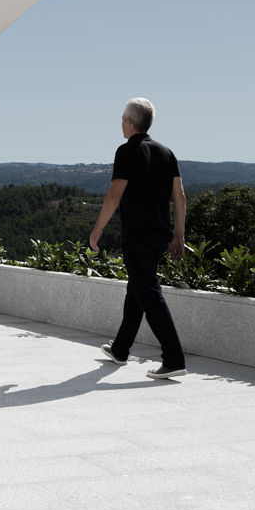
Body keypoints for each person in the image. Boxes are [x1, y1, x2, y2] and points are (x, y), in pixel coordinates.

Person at [89, 98, 187, 379]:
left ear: (130, 122)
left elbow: (114, 195)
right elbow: (179, 196)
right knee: (137, 288)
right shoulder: (166, 152)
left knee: (148, 292)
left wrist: (97, 231)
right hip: (160, 235)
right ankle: (120, 349)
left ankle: (174, 357)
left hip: (138, 236)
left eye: (122, 118)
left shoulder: (127, 151)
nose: (121, 122)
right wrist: (179, 234)